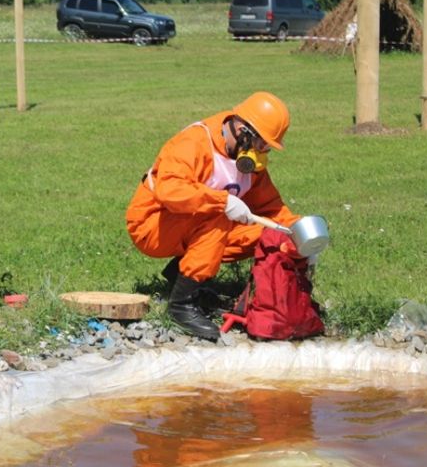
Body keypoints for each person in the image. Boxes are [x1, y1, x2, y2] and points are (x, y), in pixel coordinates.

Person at [125, 92, 300, 341]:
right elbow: (170, 191)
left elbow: (271, 209)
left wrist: (298, 232)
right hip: (152, 224)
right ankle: (181, 305)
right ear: (242, 131)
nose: (263, 153)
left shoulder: (247, 160)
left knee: (270, 234)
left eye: (267, 147)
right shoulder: (194, 143)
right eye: (262, 144)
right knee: (218, 215)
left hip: (195, 226)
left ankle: (181, 274)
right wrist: (222, 201)